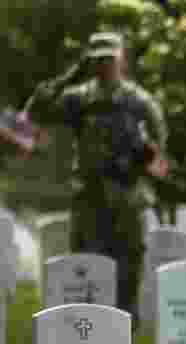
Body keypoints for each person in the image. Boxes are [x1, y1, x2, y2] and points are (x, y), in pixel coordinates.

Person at [16, 32, 168, 322]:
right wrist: (69, 75)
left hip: (127, 193)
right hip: (90, 194)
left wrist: (144, 161)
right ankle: (89, 325)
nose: (104, 65)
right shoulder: (79, 98)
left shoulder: (138, 101)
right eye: (98, 60)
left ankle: (126, 323)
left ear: (121, 59)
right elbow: (36, 112)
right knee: (86, 261)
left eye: (109, 59)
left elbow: (159, 145)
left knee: (129, 260)